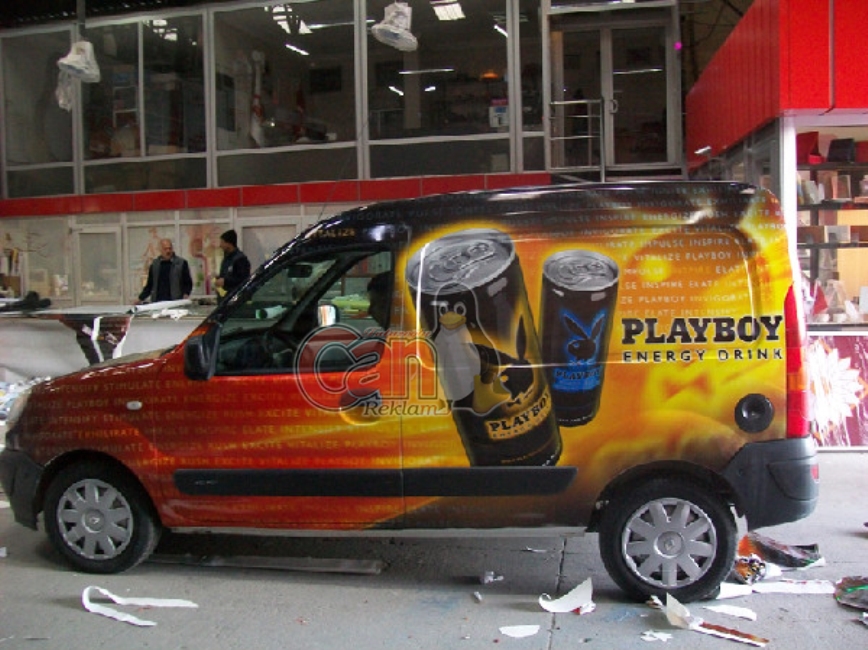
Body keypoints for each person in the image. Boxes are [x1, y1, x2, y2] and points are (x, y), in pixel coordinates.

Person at [136, 238, 193, 304]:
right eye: (165, 249)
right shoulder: (155, 265)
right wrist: (140, 298)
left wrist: (186, 294)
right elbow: (150, 285)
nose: (168, 251)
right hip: (158, 302)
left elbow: (188, 283)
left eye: (170, 248)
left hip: (175, 302)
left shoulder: (181, 263)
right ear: (160, 250)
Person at [215, 229, 251, 300]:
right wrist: (219, 278)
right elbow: (228, 275)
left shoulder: (240, 259)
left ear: (229, 244)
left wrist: (225, 281)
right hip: (225, 298)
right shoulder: (227, 258)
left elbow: (243, 279)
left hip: (235, 298)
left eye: (222, 242)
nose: (220, 245)